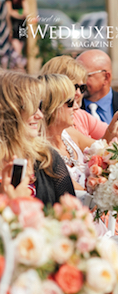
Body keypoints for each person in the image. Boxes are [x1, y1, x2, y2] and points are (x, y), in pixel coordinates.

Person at [0, 71, 75, 205]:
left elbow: (71, 213)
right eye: (32, 107)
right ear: (11, 111)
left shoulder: (47, 158)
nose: (40, 115)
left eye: (39, 106)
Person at [40, 55, 118, 143]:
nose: (78, 93)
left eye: (82, 87)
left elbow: (99, 146)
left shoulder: (80, 115)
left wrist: (114, 129)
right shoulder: (37, 122)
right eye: (73, 87)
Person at [38, 73, 93, 195]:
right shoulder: (39, 150)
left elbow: (107, 151)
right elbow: (81, 193)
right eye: (70, 102)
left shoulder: (70, 134)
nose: (76, 107)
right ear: (53, 106)